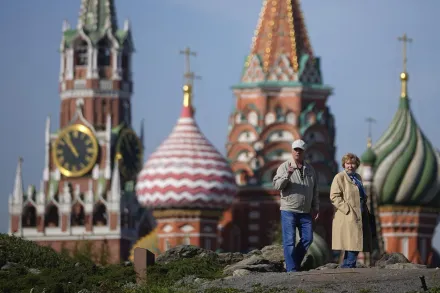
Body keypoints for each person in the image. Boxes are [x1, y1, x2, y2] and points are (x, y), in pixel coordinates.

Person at [273, 139, 319, 272]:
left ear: (304, 152)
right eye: (295, 150)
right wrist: (287, 174)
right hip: (289, 210)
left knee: (308, 238)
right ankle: (292, 270)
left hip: (305, 211)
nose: (298, 152)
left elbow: (314, 190)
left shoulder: (310, 169)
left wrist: (316, 207)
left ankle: (293, 263)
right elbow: (277, 186)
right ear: (292, 151)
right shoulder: (284, 166)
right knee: (289, 241)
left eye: (300, 150)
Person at [330, 153, 372, 268]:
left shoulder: (358, 177)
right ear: (344, 164)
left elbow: (360, 194)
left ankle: (347, 265)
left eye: (353, 163)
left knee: (353, 242)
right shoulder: (340, 177)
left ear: (357, 165)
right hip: (348, 215)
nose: (350, 166)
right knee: (354, 242)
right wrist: (348, 209)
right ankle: (348, 266)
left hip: (360, 213)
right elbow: (334, 196)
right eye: (348, 163)